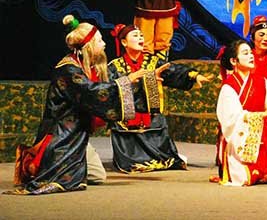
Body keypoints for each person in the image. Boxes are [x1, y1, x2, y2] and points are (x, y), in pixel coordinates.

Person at [5, 15, 165, 195]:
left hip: (78, 132)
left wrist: (146, 80)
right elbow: (93, 92)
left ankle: (76, 165)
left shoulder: (90, 66)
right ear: (89, 45)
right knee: (64, 177)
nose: (104, 44)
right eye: (100, 40)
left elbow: (111, 87)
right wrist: (127, 81)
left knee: (97, 175)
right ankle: (41, 165)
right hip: (62, 135)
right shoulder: (68, 70)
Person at [108, 24, 212, 173]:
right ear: (124, 42)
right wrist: (131, 80)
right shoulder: (114, 66)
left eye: (141, 35)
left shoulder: (153, 62)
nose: (140, 38)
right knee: (130, 164)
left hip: (151, 113)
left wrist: (193, 76)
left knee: (165, 154)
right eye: (135, 36)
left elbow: (173, 70)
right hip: (127, 117)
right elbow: (110, 88)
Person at [215, 39, 267, 186]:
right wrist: (262, 115)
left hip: (263, 138)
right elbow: (231, 119)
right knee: (244, 177)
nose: (251, 56)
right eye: (245, 53)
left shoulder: (261, 81)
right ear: (234, 61)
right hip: (238, 140)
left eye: (251, 53)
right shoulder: (229, 87)